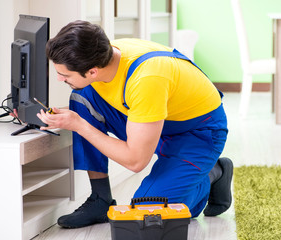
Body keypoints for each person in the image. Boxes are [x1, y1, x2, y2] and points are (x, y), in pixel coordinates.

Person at [36, 20, 233, 229]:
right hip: (157, 118)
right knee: (82, 97)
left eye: (64, 75)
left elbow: (135, 161)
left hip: (196, 132)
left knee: (151, 211)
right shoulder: (103, 55)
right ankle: (100, 199)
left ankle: (212, 174)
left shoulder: (147, 79)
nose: (58, 79)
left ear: (92, 71)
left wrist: (79, 125)